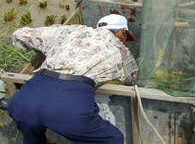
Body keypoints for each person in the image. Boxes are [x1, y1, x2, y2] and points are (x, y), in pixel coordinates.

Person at [8, 14, 138, 144]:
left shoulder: (71, 31)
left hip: (24, 99)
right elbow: (132, 80)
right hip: (69, 106)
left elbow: (20, 34)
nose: (125, 42)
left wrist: (47, 50)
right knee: (113, 139)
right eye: (126, 37)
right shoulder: (121, 50)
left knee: (32, 136)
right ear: (122, 32)